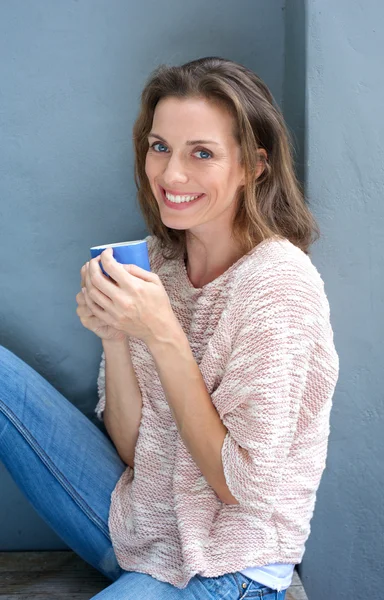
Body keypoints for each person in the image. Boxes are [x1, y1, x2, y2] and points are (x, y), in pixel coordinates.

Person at [0, 56, 339, 599]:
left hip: (229, 566)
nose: (171, 175)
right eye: (160, 147)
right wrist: (114, 333)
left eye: (201, 153)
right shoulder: (157, 261)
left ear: (255, 165)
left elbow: (242, 489)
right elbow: (137, 450)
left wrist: (161, 333)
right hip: (138, 527)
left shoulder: (279, 286)